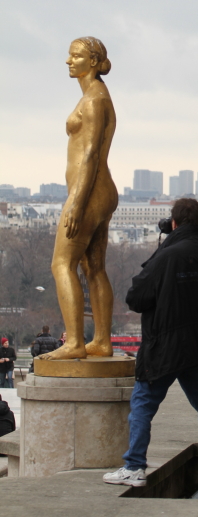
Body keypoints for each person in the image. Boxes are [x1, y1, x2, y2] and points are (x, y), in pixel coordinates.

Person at [103, 198, 198, 488]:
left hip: (163, 344)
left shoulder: (167, 256)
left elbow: (136, 298)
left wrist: (164, 248)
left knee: (142, 404)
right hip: (196, 341)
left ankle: (134, 467)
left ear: (173, 222)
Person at [43, 37, 118, 361]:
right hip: (101, 192)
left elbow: (88, 155)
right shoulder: (98, 96)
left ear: (92, 60)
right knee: (94, 268)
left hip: (87, 193)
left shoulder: (92, 100)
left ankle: (74, 341)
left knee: (61, 264)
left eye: (75, 55)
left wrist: (75, 202)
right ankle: (101, 341)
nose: (68, 61)